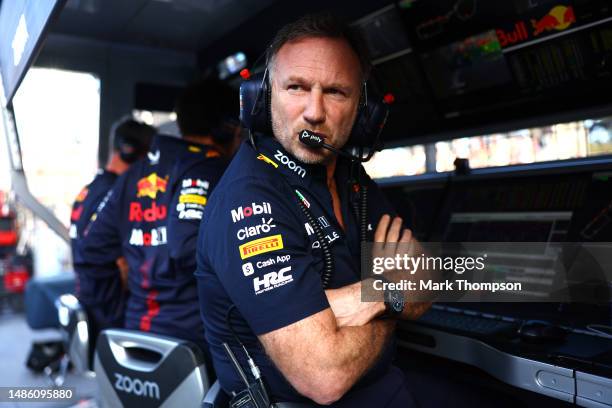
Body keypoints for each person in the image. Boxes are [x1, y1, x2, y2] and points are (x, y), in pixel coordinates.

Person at [196, 13, 429, 407]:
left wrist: (347, 305)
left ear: (363, 108)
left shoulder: (352, 178)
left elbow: (425, 279)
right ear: (264, 96)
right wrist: (389, 290)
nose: (314, 112)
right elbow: (325, 375)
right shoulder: (249, 198)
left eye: (336, 92)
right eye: (296, 88)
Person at [75, 79, 241, 354]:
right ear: (225, 127)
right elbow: (189, 249)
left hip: (133, 338)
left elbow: (90, 249)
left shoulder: (130, 175)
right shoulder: (213, 169)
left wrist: (115, 317)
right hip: (195, 345)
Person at [71, 118, 155, 334]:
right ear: (130, 150)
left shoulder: (87, 191)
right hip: (112, 313)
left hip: (90, 304)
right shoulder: (120, 193)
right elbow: (121, 261)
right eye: (150, 155)